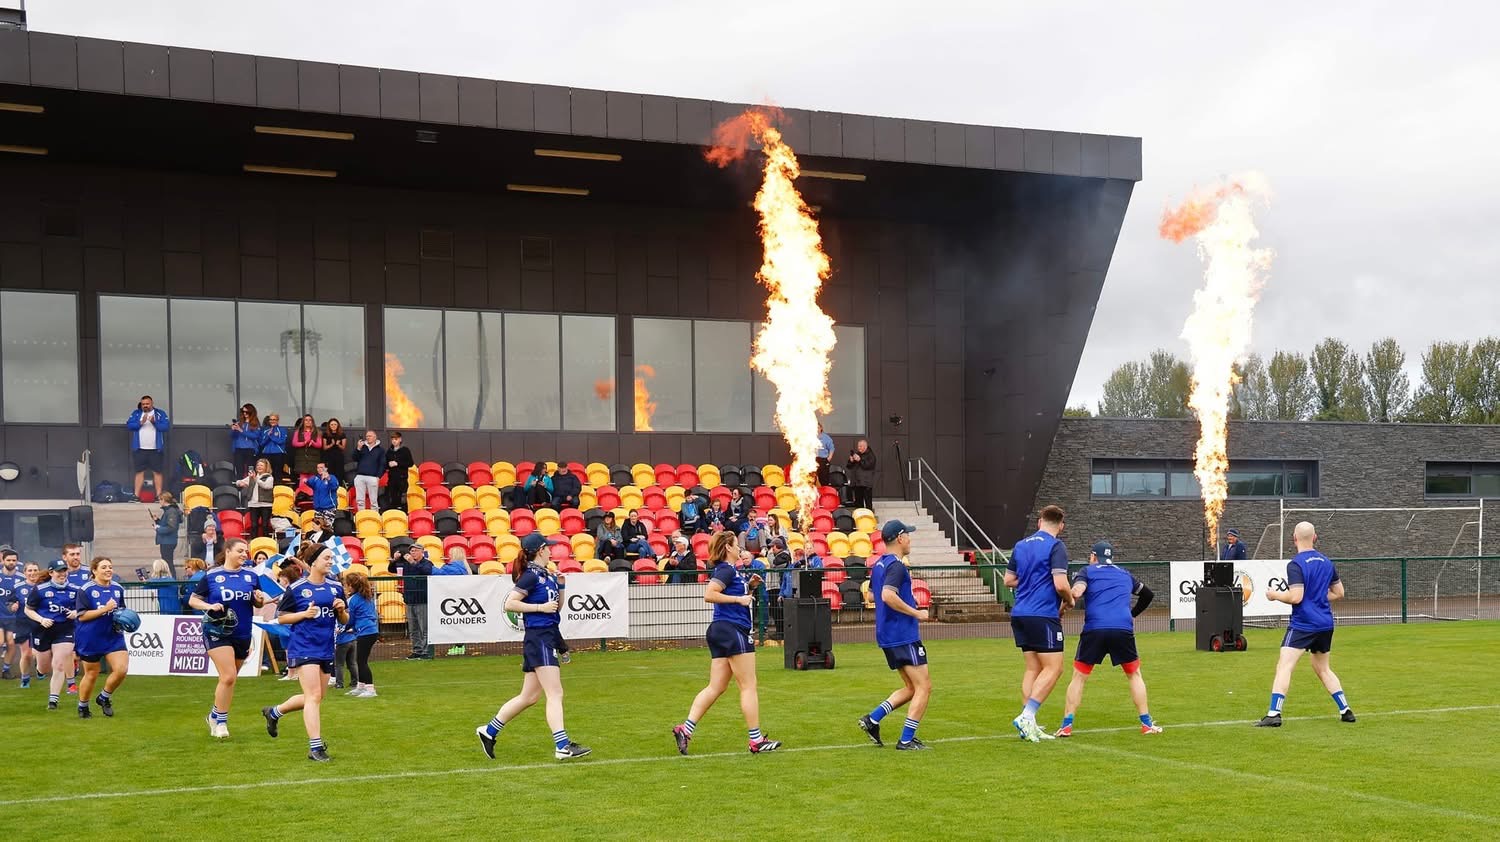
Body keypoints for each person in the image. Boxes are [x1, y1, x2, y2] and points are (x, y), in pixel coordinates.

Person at [474, 532, 592, 761]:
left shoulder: (545, 575)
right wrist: (539, 608)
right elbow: (510, 603)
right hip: (539, 638)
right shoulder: (530, 576)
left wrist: (562, 586)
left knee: (529, 697)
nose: (551, 551)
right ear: (540, 550)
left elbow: (556, 609)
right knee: (555, 693)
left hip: (543, 636)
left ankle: (489, 731)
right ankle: (562, 746)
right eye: (548, 548)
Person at [672, 531, 780, 756]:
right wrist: (739, 598)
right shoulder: (726, 569)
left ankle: (685, 728)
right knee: (748, 686)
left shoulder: (734, 572)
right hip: (732, 630)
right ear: (728, 548)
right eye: (736, 545)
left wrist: (749, 588)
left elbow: (730, 596)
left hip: (721, 630)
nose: (740, 548)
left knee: (717, 687)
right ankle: (756, 740)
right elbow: (710, 594)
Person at [1256, 521, 1356, 728]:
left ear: (1294, 539)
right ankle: (1345, 710)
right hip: (1325, 624)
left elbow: (1296, 597)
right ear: (1315, 537)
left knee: (1285, 665)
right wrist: (1317, 597)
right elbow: (1339, 593)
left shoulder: (1296, 564)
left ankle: (1274, 713)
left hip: (1304, 624)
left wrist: (1274, 595)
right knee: (1322, 668)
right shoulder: (1327, 562)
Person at [1055, 541, 1161, 737]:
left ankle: (1067, 725)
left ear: (1094, 556)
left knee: (1079, 677)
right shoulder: (1124, 574)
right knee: (1134, 674)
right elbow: (1148, 594)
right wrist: (1132, 615)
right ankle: (1146, 724)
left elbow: (1077, 592)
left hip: (1095, 628)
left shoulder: (1087, 571)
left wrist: (1062, 608)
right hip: (1122, 628)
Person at [262, 541, 348, 762]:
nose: (330, 562)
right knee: (314, 696)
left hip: (327, 647)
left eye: (331, 558)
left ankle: (274, 712)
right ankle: (316, 747)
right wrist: (303, 615)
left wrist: (341, 610)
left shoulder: (335, 587)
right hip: (304, 646)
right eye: (326, 558)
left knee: (315, 698)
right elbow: (281, 617)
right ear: (313, 561)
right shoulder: (297, 588)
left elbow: (345, 620)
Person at [1004, 504, 1075, 743]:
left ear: (1039, 522)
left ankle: (1029, 725)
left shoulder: (1021, 545)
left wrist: (1030, 581)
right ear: (1061, 526)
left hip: (1020, 613)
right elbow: (1060, 584)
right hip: (1042, 614)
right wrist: (1070, 600)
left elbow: (1008, 580)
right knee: (1055, 668)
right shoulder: (1056, 546)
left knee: (1033, 668)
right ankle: (1027, 715)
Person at [859, 520, 931, 750]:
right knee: (924, 687)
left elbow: (870, 596)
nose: (910, 539)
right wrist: (916, 613)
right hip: (903, 634)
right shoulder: (897, 566)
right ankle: (907, 739)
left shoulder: (880, 564)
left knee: (911, 687)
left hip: (888, 634)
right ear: (900, 538)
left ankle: (872, 719)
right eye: (908, 535)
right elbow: (887, 596)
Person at [189, 537, 269, 739]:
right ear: (228, 551)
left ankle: (214, 715)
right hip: (217, 631)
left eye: (246, 552)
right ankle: (222, 722)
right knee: (228, 676)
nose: (244, 555)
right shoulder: (212, 575)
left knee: (229, 681)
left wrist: (259, 600)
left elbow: (257, 603)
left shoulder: (251, 576)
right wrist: (209, 607)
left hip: (242, 632)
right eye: (241, 551)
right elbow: (193, 600)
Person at [74, 556, 130, 719]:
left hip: (113, 635)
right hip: (90, 637)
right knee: (92, 673)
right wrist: (105, 609)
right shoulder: (86, 590)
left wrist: (125, 619)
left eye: (110, 567)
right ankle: (83, 706)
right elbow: (82, 616)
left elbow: (121, 610)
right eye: (104, 567)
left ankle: (104, 697)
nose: (108, 570)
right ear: (94, 570)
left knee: (121, 670)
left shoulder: (118, 588)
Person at [26, 559, 80, 710]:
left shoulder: (75, 589)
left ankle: (53, 700)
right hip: (42, 630)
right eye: (59, 571)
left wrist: (76, 613)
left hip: (65, 629)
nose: (62, 574)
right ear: (51, 573)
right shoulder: (40, 589)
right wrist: (41, 619)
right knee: (43, 669)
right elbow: (28, 610)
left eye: (64, 570)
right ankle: (39, 666)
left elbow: (83, 609)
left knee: (59, 664)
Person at [388, 542, 433, 660]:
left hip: (422, 599)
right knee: (413, 629)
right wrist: (394, 560)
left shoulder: (426, 563)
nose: (413, 553)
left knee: (424, 628)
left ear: (422, 552)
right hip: (409, 599)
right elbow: (392, 569)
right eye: (411, 551)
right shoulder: (406, 564)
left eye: (415, 550)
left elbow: (427, 571)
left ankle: (426, 651)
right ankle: (417, 650)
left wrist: (413, 563)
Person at [341, 568, 380, 698]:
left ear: (351, 586)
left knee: (361, 661)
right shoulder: (367, 597)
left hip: (365, 632)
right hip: (371, 631)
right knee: (360, 660)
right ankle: (360, 686)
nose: (345, 587)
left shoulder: (353, 600)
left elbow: (350, 619)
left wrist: (343, 628)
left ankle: (370, 689)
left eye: (346, 585)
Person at [126, 395, 170, 499]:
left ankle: (159, 495)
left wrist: (154, 422)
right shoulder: (136, 413)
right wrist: (140, 422)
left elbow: (166, 427)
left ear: (152, 403)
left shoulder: (160, 413)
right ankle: (136, 496)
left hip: (155, 449)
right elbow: (129, 425)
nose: (145, 406)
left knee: (157, 472)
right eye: (143, 404)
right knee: (139, 472)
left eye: (147, 404)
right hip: (140, 449)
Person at [8, 561, 41, 687]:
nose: (32, 573)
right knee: (26, 654)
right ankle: (25, 678)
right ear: (25, 573)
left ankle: (40, 668)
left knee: (38, 652)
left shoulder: (43, 586)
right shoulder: (18, 587)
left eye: (35, 570)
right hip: (23, 622)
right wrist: (13, 606)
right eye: (30, 570)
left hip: (40, 622)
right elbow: (10, 604)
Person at [236, 458, 276, 539]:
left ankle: (266, 541)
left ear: (266, 467)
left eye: (261, 465)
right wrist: (240, 483)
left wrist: (255, 479)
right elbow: (238, 482)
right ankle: (253, 541)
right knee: (254, 525)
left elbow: (266, 486)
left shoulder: (269, 477)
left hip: (266, 504)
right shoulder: (252, 477)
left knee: (265, 525)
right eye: (258, 465)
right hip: (253, 504)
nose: (259, 467)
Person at [0, 547, 20, 679]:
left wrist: (18, 604)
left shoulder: (20, 578)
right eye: (9, 560)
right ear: (3, 561)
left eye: (14, 560)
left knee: (11, 643)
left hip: (13, 617)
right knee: (0, 641)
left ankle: (6, 669)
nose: (11, 562)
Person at [353, 430, 385, 512]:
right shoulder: (362, 448)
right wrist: (358, 448)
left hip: (373, 477)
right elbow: (354, 458)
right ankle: (361, 516)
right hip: (360, 476)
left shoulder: (380, 450)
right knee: (360, 500)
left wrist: (378, 476)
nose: (368, 437)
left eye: (370, 436)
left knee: (373, 500)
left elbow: (382, 464)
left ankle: (375, 517)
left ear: (375, 437)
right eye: (367, 436)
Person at [152, 491, 182, 576]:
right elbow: (167, 524)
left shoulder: (171, 511)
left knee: (168, 562)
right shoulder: (169, 511)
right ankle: (171, 578)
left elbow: (171, 527)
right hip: (168, 541)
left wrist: (158, 529)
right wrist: (157, 521)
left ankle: (172, 579)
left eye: (160, 500)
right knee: (167, 561)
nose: (159, 502)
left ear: (164, 500)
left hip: (168, 541)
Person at [384, 431, 414, 512]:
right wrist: (388, 464)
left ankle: (403, 514)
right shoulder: (389, 451)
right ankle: (393, 513)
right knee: (392, 497)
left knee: (402, 498)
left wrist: (397, 463)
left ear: (400, 439)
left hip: (402, 478)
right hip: (392, 478)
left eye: (396, 439)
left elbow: (410, 463)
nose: (394, 441)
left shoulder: (405, 450)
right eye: (392, 439)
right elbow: (385, 464)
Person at [230, 403, 261, 479]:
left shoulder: (255, 424)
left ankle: (250, 486)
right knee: (239, 469)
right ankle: (239, 487)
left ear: (251, 412)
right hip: (239, 449)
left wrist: (241, 430)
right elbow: (232, 436)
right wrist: (234, 430)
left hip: (250, 449)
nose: (245, 413)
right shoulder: (239, 422)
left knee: (250, 470)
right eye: (243, 411)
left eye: (247, 412)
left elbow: (255, 436)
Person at [290, 414, 324, 482]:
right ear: (303, 422)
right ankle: (303, 492)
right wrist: (304, 443)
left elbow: (319, 445)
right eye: (306, 420)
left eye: (310, 420)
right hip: (302, 459)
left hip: (313, 459)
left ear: (312, 422)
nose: (308, 421)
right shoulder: (298, 432)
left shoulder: (317, 432)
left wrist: (313, 443)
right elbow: (294, 443)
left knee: (313, 480)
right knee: (303, 480)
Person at [845, 439, 877, 510]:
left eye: (860, 446)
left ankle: (869, 517)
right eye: (858, 446)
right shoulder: (858, 454)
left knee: (868, 503)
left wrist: (859, 460)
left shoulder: (871, 455)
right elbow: (849, 466)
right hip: (857, 482)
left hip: (866, 483)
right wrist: (851, 461)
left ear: (865, 446)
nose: (859, 448)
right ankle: (860, 516)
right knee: (858, 503)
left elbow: (868, 466)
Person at [257, 413, 288, 485]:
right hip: (266, 453)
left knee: (277, 473)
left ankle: (277, 489)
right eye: (271, 419)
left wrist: (271, 436)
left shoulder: (282, 430)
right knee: (267, 473)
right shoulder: (265, 430)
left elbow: (281, 441)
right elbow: (261, 443)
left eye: (274, 419)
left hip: (278, 453)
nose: (272, 421)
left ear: (277, 420)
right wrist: (268, 436)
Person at [815, 422, 834, 487]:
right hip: (813, 461)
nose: (816, 429)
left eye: (818, 428)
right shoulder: (811, 437)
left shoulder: (826, 437)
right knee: (812, 479)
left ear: (821, 428)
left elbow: (832, 448)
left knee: (824, 479)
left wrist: (829, 458)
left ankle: (824, 494)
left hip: (823, 460)